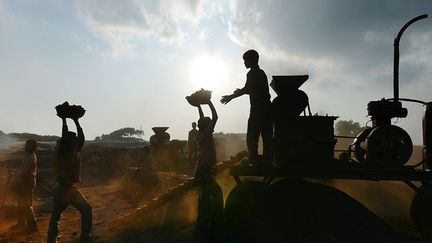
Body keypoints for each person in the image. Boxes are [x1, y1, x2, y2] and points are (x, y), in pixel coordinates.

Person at [221, 49, 273, 166]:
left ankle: (253, 159)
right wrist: (243, 91)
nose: (244, 63)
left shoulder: (252, 73)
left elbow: (248, 89)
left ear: (252, 60)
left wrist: (231, 96)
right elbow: (254, 89)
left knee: (252, 136)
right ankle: (268, 160)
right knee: (267, 136)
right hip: (268, 108)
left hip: (258, 109)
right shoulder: (261, 73)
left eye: (245, 60)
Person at [47, 117, 92, 243]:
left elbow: (81, 138)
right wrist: (64, 120)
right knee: (57, 217)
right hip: (63, 189)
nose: (76, 141)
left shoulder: (73, 150)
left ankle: (84, 237)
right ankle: (84, 237)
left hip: (68, 189)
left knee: (57, 217)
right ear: (67, 142)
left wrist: (76, 121)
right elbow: (66, 134)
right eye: (73, 139)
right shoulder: (62, 152)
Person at [193, 99, 224, 232]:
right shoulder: (206, 134)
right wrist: (209, 102)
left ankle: (203, 223)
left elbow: (201, 120)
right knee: (216, 193)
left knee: (204, 197)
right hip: (204, 171)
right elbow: (216, 117)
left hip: (201, 171)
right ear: (207, 126)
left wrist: (199, 106)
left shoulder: (200, 134)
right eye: (209, 122)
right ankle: (213, 221)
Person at [10, 139, 38, 233]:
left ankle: (33, 225)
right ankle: (21, 223)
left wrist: (14, 174)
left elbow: (24, 172)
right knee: (21, 203)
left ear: (31, 146)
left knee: (26, 204)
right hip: (24, 182)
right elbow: (22, 170)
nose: (25, 146)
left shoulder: (30, 158)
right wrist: (15, 172)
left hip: (27, 182)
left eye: (27, 144)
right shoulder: (27, 156)